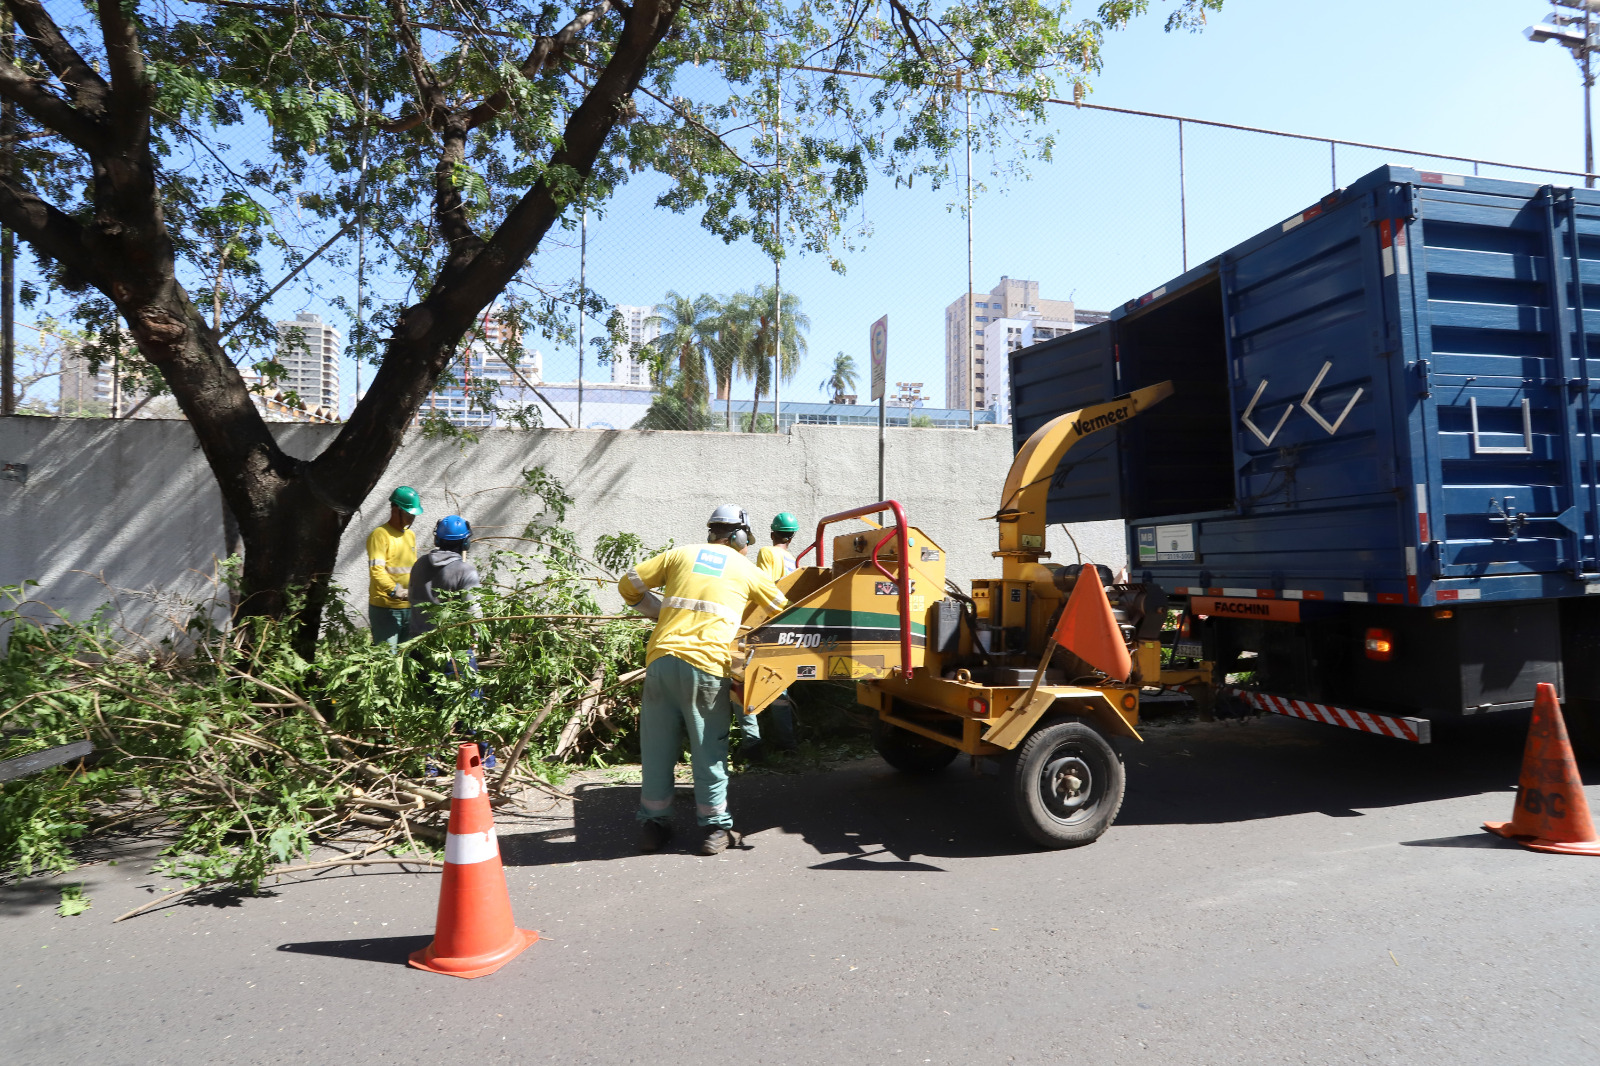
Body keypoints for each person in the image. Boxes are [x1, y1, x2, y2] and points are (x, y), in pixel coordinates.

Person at [618, 504, 787, 856]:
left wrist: (656, 610)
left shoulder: (679, 554)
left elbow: (628, 584)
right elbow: (782, 609)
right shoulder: (745, 567)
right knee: (708, 751)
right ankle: (715, 828)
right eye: (747, 540)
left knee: (657, 750)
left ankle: (654, 825)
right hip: (706, 667)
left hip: (661, 663)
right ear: (740, 535)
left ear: (712, 531)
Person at [738, 512, 802, 758]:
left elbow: (762, 586)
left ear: (773, 533)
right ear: (792, 535)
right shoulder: (793, 560)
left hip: (763, 624)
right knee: (777, 686)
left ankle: (752, 746)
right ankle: (788, 745)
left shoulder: (767, 552)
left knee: (745, 683)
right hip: (784, 626)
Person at [367, 486, 423, 649]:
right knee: (387, 660)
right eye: (408, 513)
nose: (412, 517)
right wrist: (395, 590)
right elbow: (376, 571)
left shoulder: (410, 535)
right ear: (395, 509)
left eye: (414, 514)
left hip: (408, 607)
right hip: (386, 609)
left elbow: (413, 569)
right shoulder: (380, 535)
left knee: (405, 660)